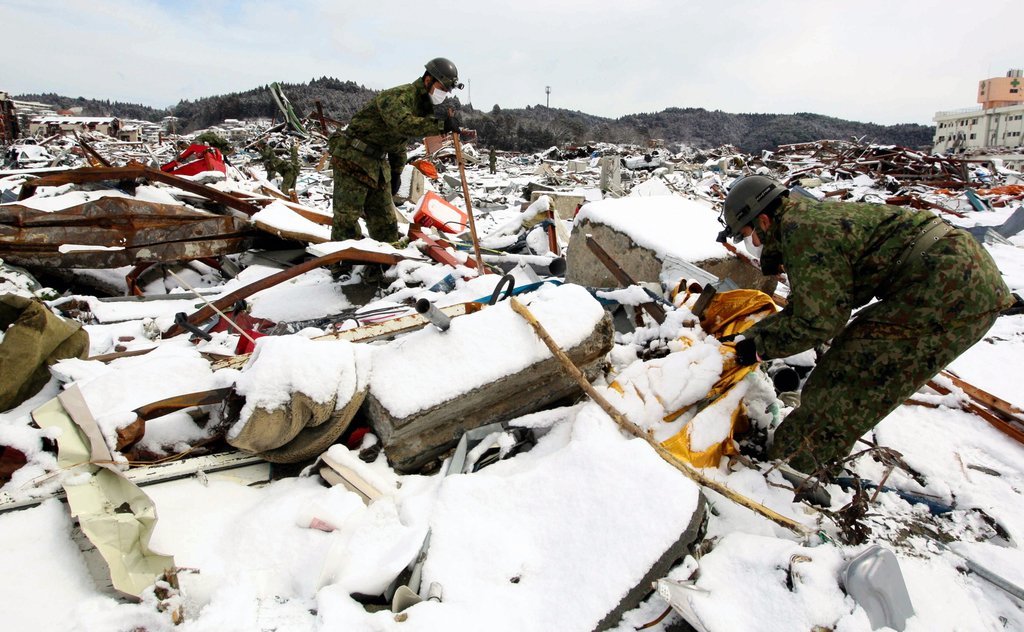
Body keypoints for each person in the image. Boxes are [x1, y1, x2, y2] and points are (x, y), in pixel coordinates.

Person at [717, 175, 1012, 474]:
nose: (750, 244)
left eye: (746, 235)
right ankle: (806, 459)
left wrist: (756, 348)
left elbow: (819, 321)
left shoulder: (802, 232)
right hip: (951, 274)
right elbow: (808, 304)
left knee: (847, 378)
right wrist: (748, 338)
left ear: (763, 221)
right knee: (849, 363)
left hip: (949, 286)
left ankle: (791, 466)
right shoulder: (803, 220)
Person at [330, 58, 463, 242]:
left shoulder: (421, 107)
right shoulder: (399, 96)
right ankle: (343, 258)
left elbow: (398, 141)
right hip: (353, 158)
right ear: (428, 80)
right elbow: (403, 125)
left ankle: (387, 256)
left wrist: (396, 171)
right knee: (347, 220)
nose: (444, 94)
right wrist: (441, 125)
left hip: (377, 165)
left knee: (385, 222)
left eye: (447, 91)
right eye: (442, 88)